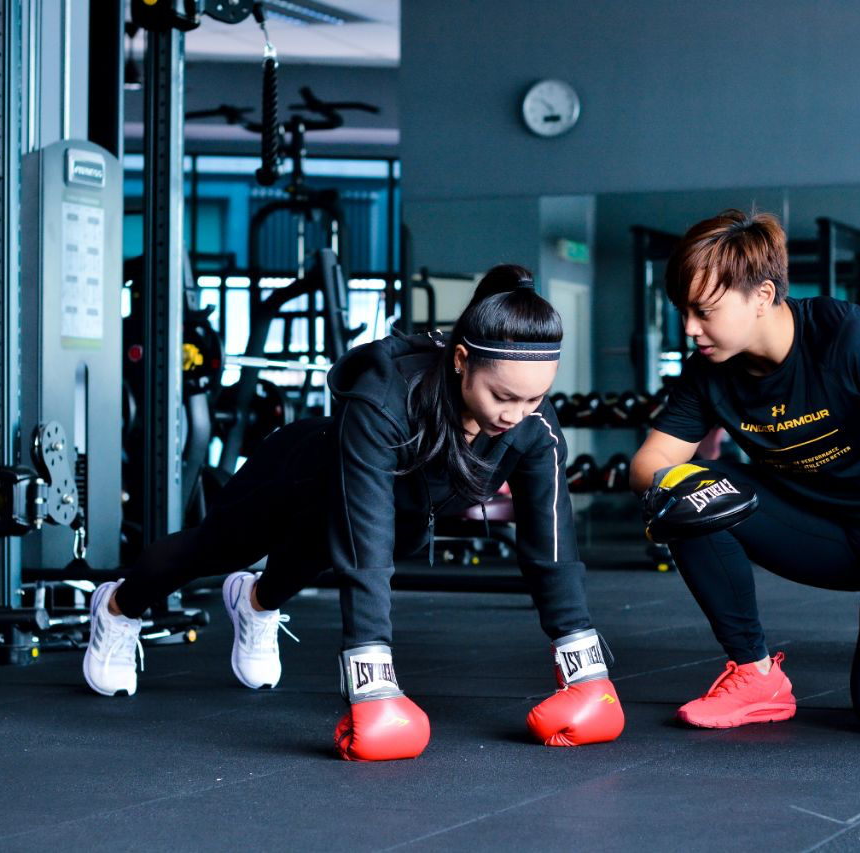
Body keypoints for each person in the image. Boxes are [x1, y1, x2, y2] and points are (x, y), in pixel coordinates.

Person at [83, 264, 624, 760]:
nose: (517, 415)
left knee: (303, 562)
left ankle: (253, 602)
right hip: (296, 477)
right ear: (461, 361)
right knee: (216, 550)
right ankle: (116, 609)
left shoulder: (533, 421)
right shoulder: (385, 398)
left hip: (376, 517)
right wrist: (373, 683)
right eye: (503, 396)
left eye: (534, 400)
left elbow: (551, 542)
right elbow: (365, 543)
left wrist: (586, 670)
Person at [630, 209, 860, 736]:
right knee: (688, 494)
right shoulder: (707, 371)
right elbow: (649, 464)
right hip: (824, 531)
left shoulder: (847, 338)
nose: (689, 328)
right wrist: (672, 481)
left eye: (704, 311)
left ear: (762, 295)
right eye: (683, 311)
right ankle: (755, 676)